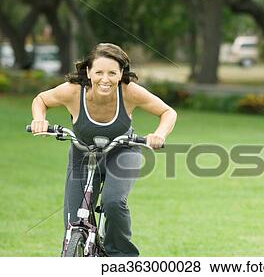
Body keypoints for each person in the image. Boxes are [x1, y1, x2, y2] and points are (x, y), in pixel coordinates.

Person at [30, 43, 177, 256]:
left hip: (122, 152)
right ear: (88, 72)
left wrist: (159, 134)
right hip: (83, 154)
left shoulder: (129, 92)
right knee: (73, 220)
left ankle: (120, 258)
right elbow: (41, 100)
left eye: (112, 73)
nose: (105, 79)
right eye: (99, 72)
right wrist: (39, 119)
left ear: (120, 74)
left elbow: (167, 112)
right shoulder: (73, 92)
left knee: (113, 202)